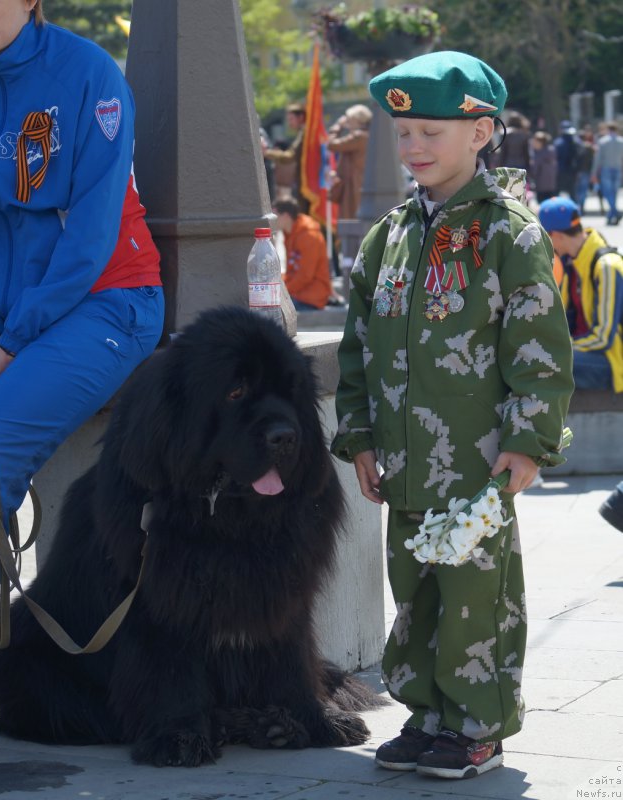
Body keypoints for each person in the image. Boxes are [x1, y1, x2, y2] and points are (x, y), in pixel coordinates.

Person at [331, 51, 573, 780]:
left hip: (477, 465)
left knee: (476, 597)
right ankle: (428, 715)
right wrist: (361, 437)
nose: (415, 149)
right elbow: (357, 347)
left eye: (432, 132)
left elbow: (537, 345)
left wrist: (529, 443)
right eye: (403, 134)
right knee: (416, 596)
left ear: (482, 132)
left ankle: (477, 726)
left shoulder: (510, 233)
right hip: (403, 465)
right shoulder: (389, 237)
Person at [0, 0, 164, 694]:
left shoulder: (87, 74)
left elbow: (87, 238)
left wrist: (15, 340)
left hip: (103, 304)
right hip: (0, 319)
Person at [538, 197, 623, 391]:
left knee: (543, 364)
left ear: (556, 235)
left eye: (544, 238)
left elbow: (603, 338)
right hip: (586, 353)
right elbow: (563, 322)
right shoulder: (572, 263)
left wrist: (558, 349)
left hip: (613, 361)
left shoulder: (607, 267)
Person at [274, 199, 332, 311]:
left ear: (285, 216)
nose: (272, 221)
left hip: (311, 297)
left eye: (275, 216)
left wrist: (282, 291)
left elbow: (305, 276)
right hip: (299, 292)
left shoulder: (308, 236)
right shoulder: (290, 233)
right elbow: (294, 270)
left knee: (270, 309)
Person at [327, 104, 373, 220]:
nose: (346, 121)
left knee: (351, 219)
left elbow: (331, 145)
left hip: (353, 185)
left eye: (349, 119)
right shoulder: (364, 135)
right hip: (354, 183)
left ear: (357, 120)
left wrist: (337, 127)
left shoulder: (358, 136)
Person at [264, 103, 309, 213]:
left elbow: (290, 156)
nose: (289, 123)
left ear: (301, 117)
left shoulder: (305, 132)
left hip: (307, 180)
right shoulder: (303, 132)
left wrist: (266, 152)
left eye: (291, 119)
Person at [592, 122, 623, 225]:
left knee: (607, 193)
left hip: (606, 169)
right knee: (614, 193)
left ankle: (615, 212)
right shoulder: (621, 141)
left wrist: (594, 172)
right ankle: (612, 214)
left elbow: (598, 159)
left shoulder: (603, 141)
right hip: (618, 169)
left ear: (608, 130)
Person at [554, 120, 581, 202]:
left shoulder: (558, 142)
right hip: (572, 172)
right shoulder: (576, 142)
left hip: (560, 171)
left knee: (557, 193)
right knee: (573, 194)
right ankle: (575, 213)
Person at [530, 130, 558, 203]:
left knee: (542, 205)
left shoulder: (539, 153)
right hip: (551, 184)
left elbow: (534, 170)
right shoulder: (551, 150)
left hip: (541, 185)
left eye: (535, 141)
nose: (533, 143)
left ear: (540, 142)